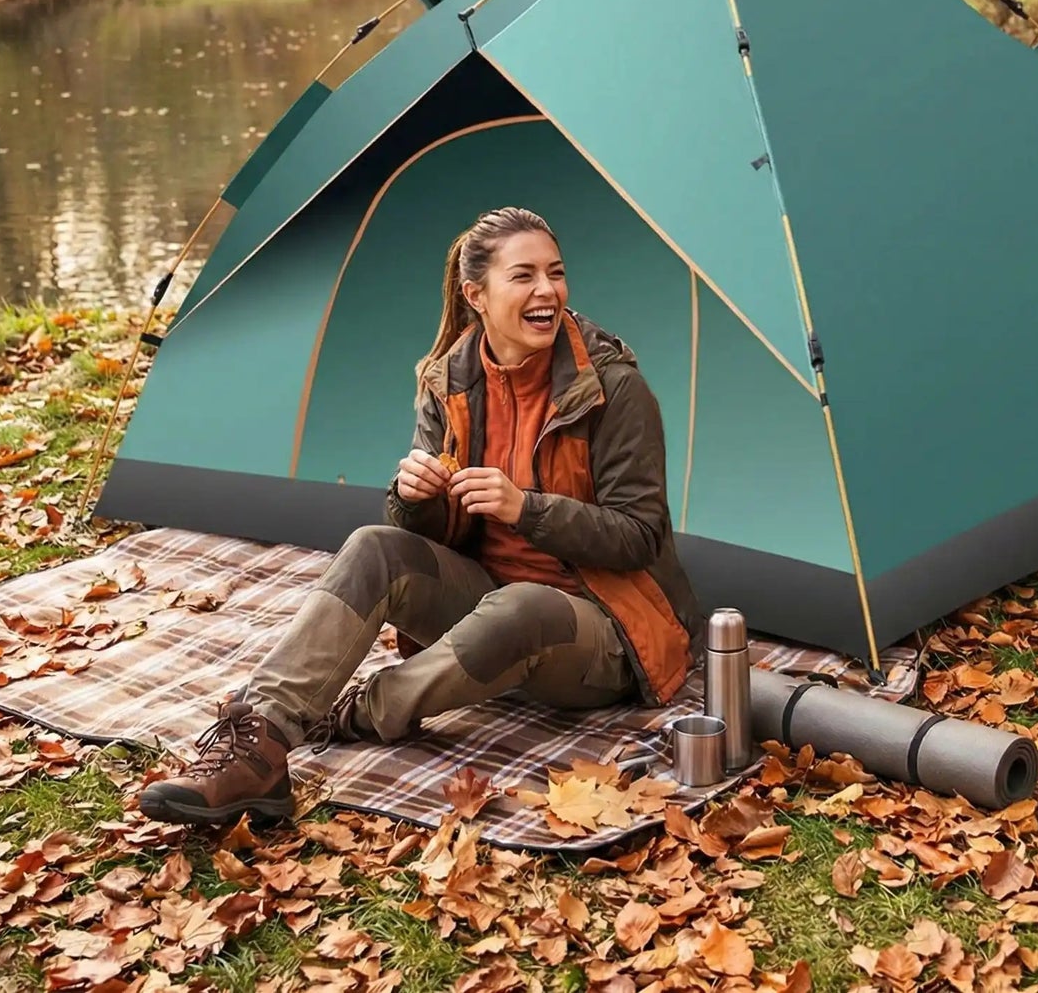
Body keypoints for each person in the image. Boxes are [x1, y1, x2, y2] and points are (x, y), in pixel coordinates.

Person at [140, 206, 704, 826]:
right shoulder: (451, 380)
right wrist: (415, 500)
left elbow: (640, 536)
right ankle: (262, 744)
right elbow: (435, 535)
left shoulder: (612, 389)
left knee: (523, 607)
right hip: (491, 606)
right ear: (476, 296)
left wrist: (528, 510)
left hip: (605, 629)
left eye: (556, 273)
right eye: (524, 277)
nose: (547, 291)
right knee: (374, 545)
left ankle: (357, 710)